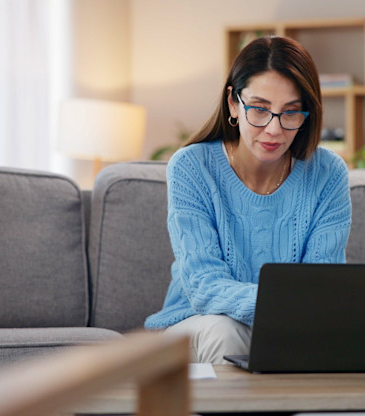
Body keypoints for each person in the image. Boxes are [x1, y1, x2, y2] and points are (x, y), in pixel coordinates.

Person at [144, 36, 352, 364]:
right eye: (259, 109)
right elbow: (204, 286)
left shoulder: (328, 173)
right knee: (224, 331)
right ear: (233, 103)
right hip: (197, 321)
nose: (273, 129)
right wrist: (286, 307)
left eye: (291, 113)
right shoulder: (192, 166)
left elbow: (321, 284)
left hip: (288, 328)